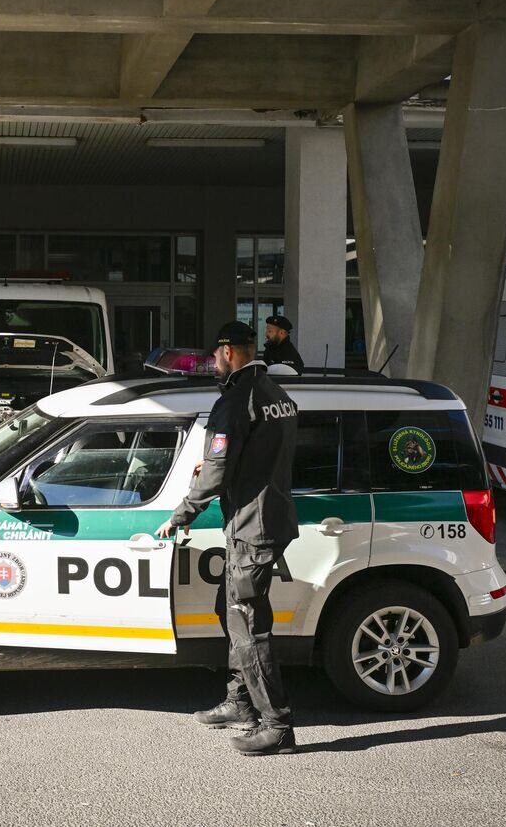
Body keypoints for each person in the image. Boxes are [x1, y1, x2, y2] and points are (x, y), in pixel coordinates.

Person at [156, 321, 300, 755]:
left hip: (251, 528)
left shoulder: (236, 401)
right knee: (231, 610)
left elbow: (217, 471)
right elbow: (259, 454)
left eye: (216, 357)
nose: (214, 364)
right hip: (270, 517)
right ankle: (239, 703)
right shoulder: (276, 394)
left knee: (249, 627)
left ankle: (277, 726)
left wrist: (181, 514)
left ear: (229, 353)